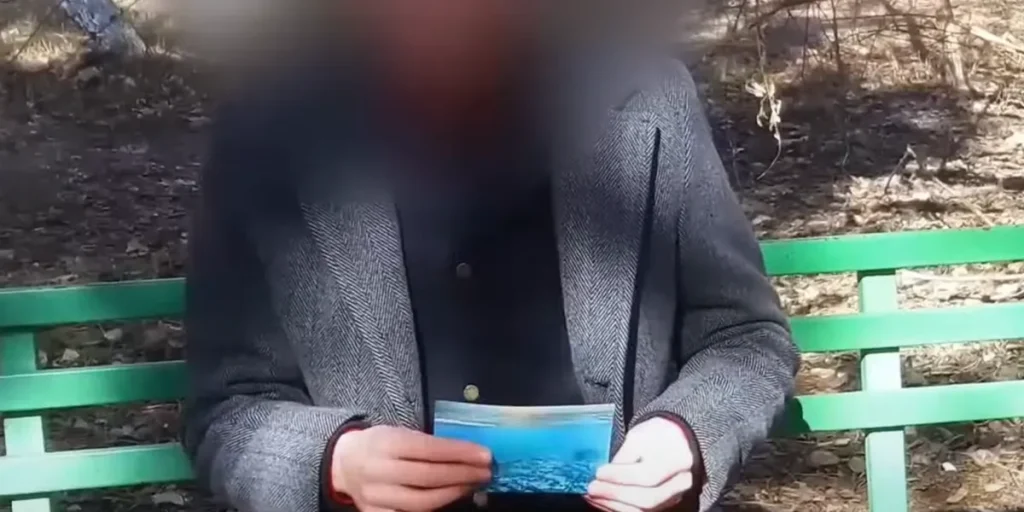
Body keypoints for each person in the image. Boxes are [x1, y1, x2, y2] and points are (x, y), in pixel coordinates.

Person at [182, 2, 799, 512]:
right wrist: (334, 462)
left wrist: (685, 433)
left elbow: (744, 336)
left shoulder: (646, 98)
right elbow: (226, 406)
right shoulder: (269, 134)